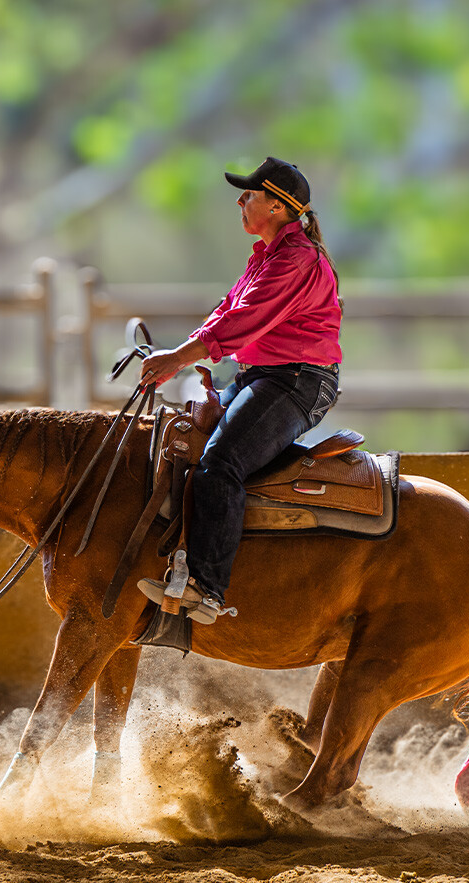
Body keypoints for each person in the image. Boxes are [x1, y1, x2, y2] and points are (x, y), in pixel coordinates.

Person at [136, 156, 342, 625]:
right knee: (187, 449)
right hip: (267, 377)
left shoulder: (294, 259)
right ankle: (186, 567)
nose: (240, 201)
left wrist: (175, 359)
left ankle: (205, 587)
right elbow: (226, 311)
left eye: (249, 194)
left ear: (274, 205)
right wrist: (181, 355)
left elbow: (242, 322)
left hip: (296, 382)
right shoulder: (269, 256)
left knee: (220, 462)